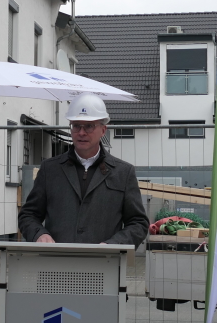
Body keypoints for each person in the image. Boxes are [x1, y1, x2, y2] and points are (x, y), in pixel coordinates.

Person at [18, 93, 149, 248]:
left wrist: (113, 245)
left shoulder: (123, 173)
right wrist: (39, 234)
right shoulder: (50, 169)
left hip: (104, 265)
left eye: (89, 126)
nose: (81, 132)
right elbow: (28, 215)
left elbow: (138, 223)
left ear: (103, 130)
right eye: (76, 125)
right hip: (55, 265)